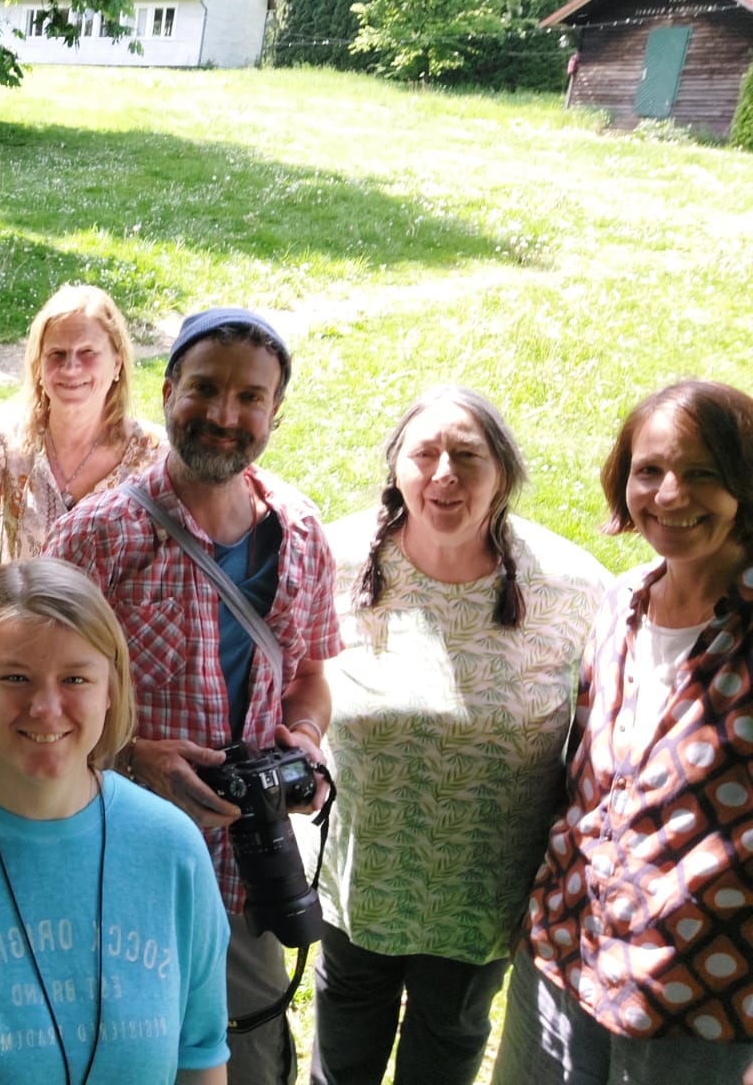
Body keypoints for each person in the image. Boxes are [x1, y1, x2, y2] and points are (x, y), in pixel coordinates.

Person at [45, 306, 340, 1084]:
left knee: (241, 1064)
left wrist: (304, 736)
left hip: (247, 881)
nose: (223, 415)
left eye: (250, 398)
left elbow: (309, 675)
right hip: (112, 872)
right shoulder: (95, 538)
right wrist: (135, 758)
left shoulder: (302, 533)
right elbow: (28, 710)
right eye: (204, 389)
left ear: (275, 411)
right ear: (169, 390)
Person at [309, 387, 611, 1085]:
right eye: (425, 454)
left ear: (503, 472)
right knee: (341, 1063)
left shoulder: (571, 587)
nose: (445, 472)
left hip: (480, 903)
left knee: (445, 1055)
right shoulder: (337, 559)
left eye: (468, 456)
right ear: (396, 470)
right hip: (360, 886)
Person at [0, 557, 231, 1084]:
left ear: (110, 691)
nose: (45, 707)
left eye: (75, 678)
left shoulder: (172, 851)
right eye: (15, 677)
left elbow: (200, 1060)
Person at [493, 380, 753, 1085]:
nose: (670, 495)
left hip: (701, 1002)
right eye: (650, 471)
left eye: (703, 473)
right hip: (564, 959)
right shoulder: (621, 603)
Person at [0, 287, 163, 578]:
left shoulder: (154, 457)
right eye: (57, 354)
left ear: (117, 363)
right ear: (38, 365)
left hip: (111, 625)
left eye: (87, 352)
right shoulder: (7, 438)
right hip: (13, 621)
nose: (70, 367)